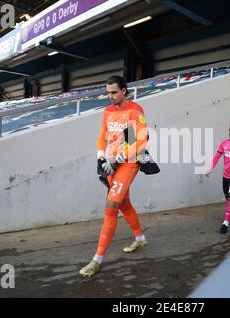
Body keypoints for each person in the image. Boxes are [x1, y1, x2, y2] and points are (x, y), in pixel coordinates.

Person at [79, 75, 149, 278]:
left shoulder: (135, 111)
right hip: (110, 164)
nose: (110, 96)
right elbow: (102, 136)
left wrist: (118, 157)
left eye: (114, 92)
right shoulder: (108, 111)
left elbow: (142, 141)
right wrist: (101, 156)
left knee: (111, 207)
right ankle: (140, 237)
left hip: (128, 163)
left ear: (124, 91)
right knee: (124, 203)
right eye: (108, 92)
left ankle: (97, 260)